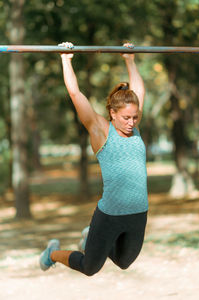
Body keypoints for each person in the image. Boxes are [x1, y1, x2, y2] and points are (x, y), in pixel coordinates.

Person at [39, 41, 148, 276]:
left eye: (135, 117)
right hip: (109, 214)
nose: (132, 123)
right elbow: (75, 93)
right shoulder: (100, 130)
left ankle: (91, 237)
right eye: (127, 118)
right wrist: (65, 60)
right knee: (90, 267)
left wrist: (129, 59)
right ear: (113, 113)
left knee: (124, 262)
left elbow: (139, 91)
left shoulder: (134, 127)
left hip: (138, 212)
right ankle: (52, 254)